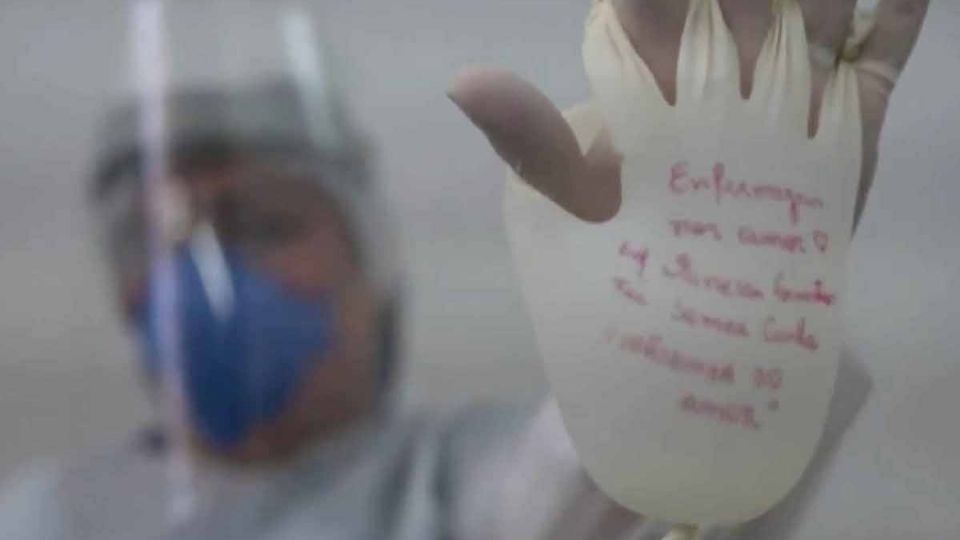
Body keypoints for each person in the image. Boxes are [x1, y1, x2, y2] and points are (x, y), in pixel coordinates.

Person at [0, 1, 942, 539]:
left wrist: (715, 313)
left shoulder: (459, 484)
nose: (207, 271)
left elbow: (613, 494)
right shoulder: (47, 517)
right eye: (163, 239)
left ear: (368, 268)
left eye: (265, 222)